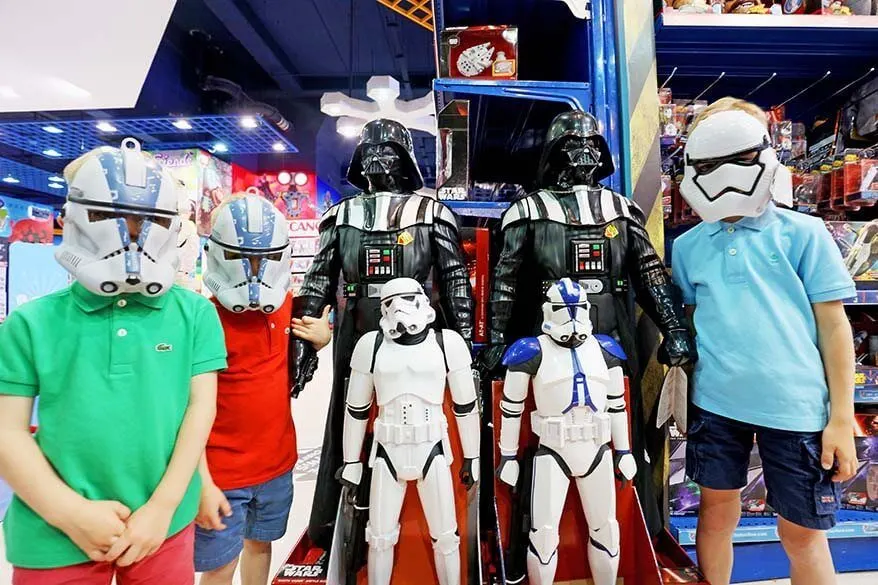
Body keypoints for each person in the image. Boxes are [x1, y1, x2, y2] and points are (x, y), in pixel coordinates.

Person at [0, 138, 227, 585]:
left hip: (165, 526)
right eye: (109, 217)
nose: (131, 236)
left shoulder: (194, 314)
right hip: (54, 533)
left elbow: (199, 410)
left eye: (149, 221)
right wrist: (69, 513)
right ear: (73, 218)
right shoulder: (31, 324)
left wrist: (165, 506)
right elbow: (6, 431)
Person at [672, 98, 858, 585]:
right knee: (714, 517)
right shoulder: (688, 247)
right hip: (715, 405)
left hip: (797, 410)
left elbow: (835, 327)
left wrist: (841, 418)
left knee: (802, 534)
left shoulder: (805, 233)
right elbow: (693, 323)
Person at [196, 194, 332, 585]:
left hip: (276, 463)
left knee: (261, 545)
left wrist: (320, 339)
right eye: (244, 258)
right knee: (220, 563)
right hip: (223, 471)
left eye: (265, 259)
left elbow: (312, 332)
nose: (255, 271)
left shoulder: (286, 307)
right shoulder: (205, 318)